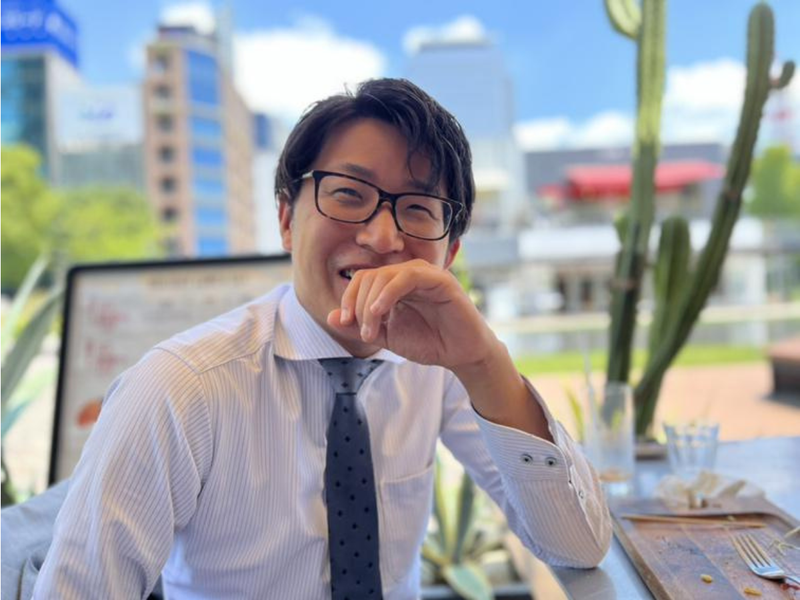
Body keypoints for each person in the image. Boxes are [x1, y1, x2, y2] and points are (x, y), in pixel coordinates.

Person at [34, 78, 611, 599]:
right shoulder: (178, 388)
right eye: (349, 194)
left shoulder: (442, 366)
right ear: (287, 220)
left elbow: (577, 547)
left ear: (450, 252)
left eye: (417, 208)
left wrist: (484, 362)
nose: (382, 237)